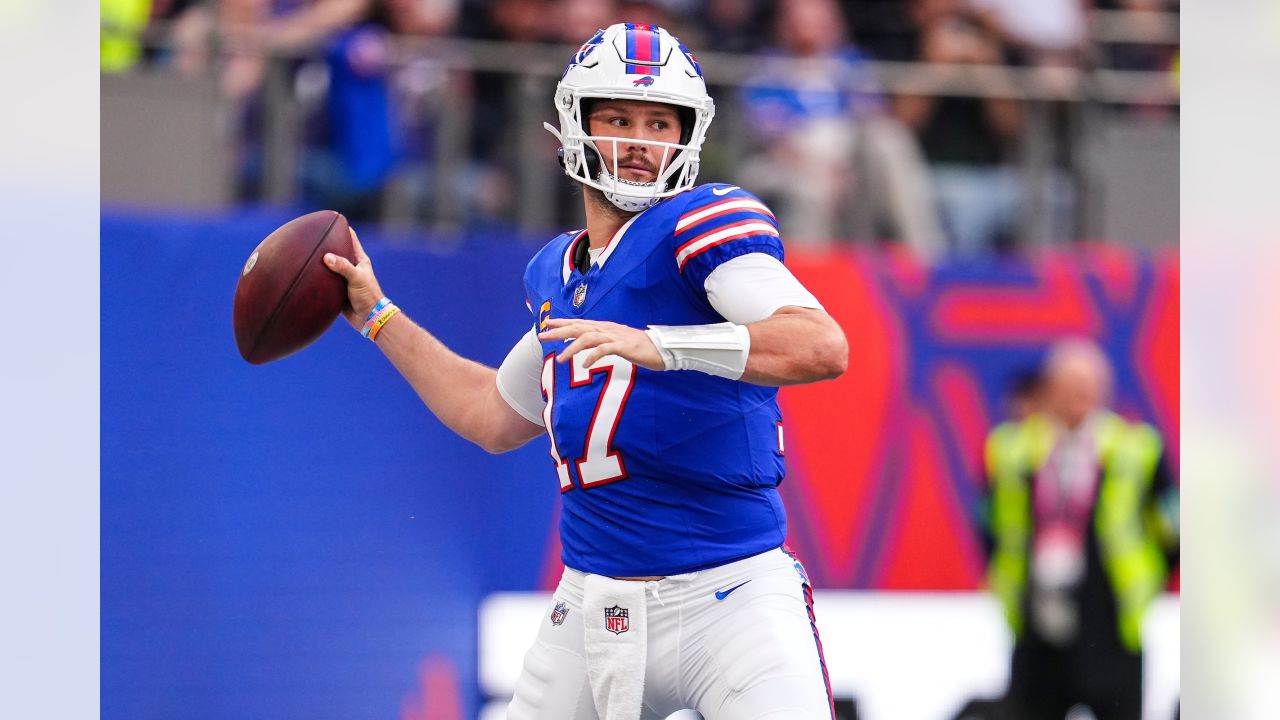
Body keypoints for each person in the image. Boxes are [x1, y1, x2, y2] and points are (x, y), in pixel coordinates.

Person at [322, 22, 848, 720]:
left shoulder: (703, 224)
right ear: (576, 125)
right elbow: (489, 416)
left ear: (686, 135)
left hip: (733, 600)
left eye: (659, 121)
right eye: (618, 118)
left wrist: (659, 345)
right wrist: (378, 316)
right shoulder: (558, 272)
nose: (638, 140)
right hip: (594, 603)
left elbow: (820, 345)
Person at [983, 339, 1179, 720]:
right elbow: (988, 520)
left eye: (1086, 385)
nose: (1077, 395)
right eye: (1067, 384)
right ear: (1049, 389)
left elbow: (1170, 528)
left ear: (1103, 390)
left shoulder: (1136, 448)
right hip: (1036, 622)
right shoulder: (1011, 447)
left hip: (1111, 621)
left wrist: (1149, 582)